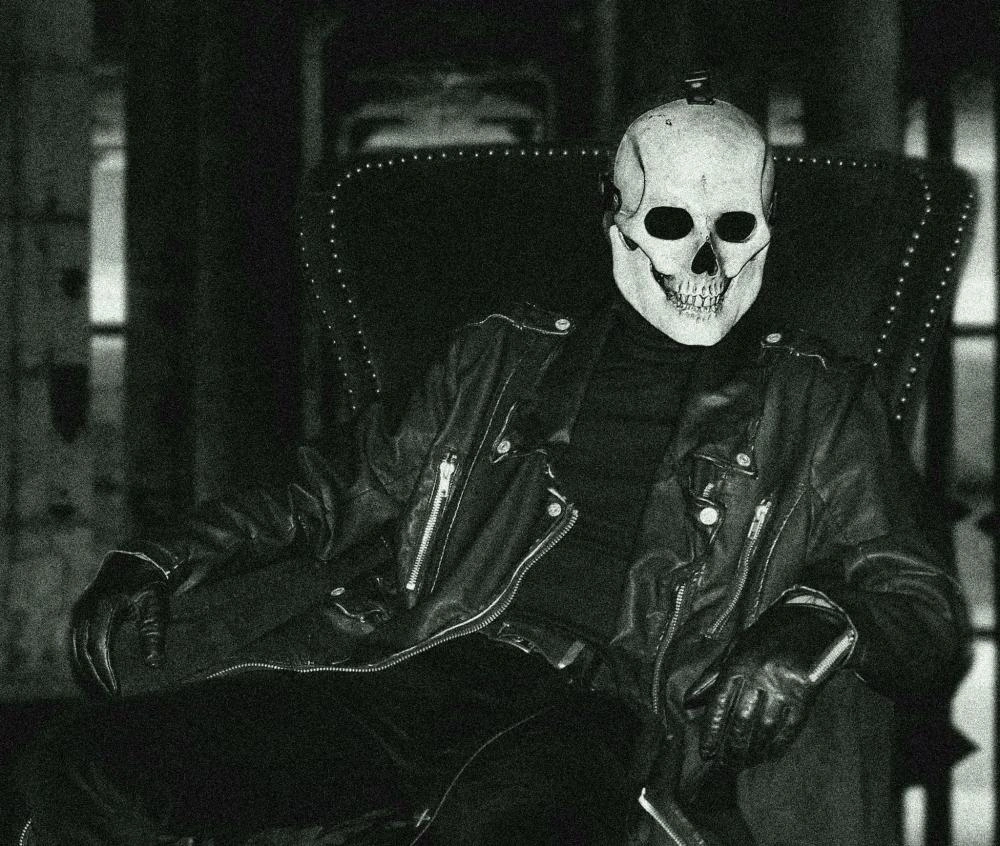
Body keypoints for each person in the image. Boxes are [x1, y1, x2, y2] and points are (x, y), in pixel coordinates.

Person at [17, 95, 968, 846]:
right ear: (617, 219)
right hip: (425, 662)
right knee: (89, 763)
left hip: (615, 712)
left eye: (737, 224)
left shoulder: (820, 403)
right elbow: (330, 492)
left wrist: (817, 623)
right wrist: (158, 556)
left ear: (768, 227)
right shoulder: (497, 356)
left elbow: (920, 604)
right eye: (674, 221)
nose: (707, 259)